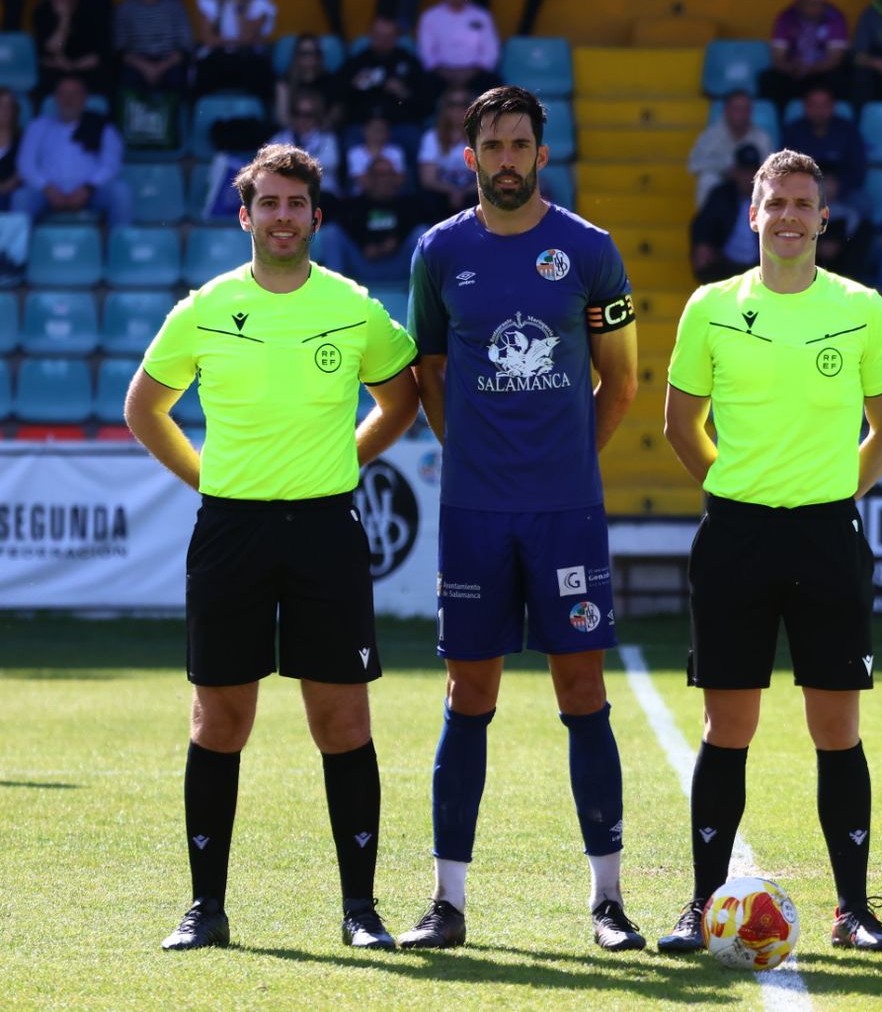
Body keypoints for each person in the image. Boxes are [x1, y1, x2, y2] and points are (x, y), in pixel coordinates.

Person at [125, 142, 421, 953]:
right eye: (269, 203)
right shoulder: (205, 308)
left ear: (316, 217)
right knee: (221, 718)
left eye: (297, 204)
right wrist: (205, 479)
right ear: (245, 214)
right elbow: (144, 407)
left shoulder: (353, 306)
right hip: (231, 529)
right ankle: (204, 909)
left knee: (343, 718)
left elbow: (401, 397)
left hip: (325, 528)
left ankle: (360, 909)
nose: (283, 216)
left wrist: (346, 461)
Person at [398, 85, 643, 953]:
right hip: (473, 511)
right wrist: (470, 452)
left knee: (584, 693)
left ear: (543, 153)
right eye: (491, 146)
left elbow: (621, 379)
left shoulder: (588, 250)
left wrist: (569, 458)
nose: (506, 159)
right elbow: (427, 368)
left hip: (565, 512)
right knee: (470, 694)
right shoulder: (439, 251)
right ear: (471, 157)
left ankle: (609, 902)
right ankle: (447, 905)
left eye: (519, 145)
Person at [658, 148, 882, 956]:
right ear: (754, 214)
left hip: (826, 534)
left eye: (805, 203)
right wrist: (737, 489)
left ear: (823, 217)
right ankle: (701, 906)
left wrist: (839, 491)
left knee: (836, 726)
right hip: (734, 535)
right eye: (778, 203)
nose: (791, 216)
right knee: (727, 724)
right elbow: (679, 424)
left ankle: (854, 910)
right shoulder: (711, 306)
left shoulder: (863, 307)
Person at [13, 75, 131, 226]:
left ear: (85, 98)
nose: (68, 99)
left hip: (91, 192)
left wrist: (88, 188)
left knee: (120, 192)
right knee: (21, 197)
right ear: (55, 98)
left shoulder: (102, 127)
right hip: (46, 192)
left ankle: (120, 245)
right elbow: (26, 164)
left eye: (74, 94)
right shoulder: (38, 126)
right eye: (63, 94)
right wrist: (47, 188)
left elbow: (111, 163)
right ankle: (18, 250)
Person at [327, 155, 430, 280]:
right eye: (379, 174)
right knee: (331, 233)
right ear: (368, 178)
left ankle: (422, 295)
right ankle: (335, 292)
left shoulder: (409, 204)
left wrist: (396, 240)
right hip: (362, 264)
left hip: (398, 265)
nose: (384, 180)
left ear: (396, 178)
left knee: (422, 233)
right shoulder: (351, 205)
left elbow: (413, 226)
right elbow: (347, 228)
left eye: (388, 174)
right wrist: (365, 245)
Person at [193, 0, 277, 103]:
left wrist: (239, 4)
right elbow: (207, 39)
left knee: (257, 70)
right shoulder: (209, 2)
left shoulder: (261, 3)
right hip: (218, 58)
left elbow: (247, 36)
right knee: (204, 71)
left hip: (248, 59)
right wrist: (237, 42)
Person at [758, 0, 853, 111]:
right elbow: (777, 57)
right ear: (798, 2)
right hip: (794, 71)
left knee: (842, 78)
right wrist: (790, 68)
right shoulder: (785, 17)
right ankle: (778, 122)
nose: (814, 7)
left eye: (817, 2)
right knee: (769, 79)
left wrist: (812, 69)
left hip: (822, 71)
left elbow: (835, 59)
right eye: (808, 2)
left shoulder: (835, 17)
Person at [337, 15, 435, 136]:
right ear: (370, 35)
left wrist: (404, 92)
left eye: (388, 37)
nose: (383, 41)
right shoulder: (357, 62)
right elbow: (336, 94)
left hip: (399, 126)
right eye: (378, 36)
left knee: (412, 136)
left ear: (396, 37)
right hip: (362, 126)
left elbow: (427, 104)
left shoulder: (410, 62)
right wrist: (354, 85)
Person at [115, 0, 192, 95]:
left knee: (177, 79)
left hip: (168, 63)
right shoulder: (125, 9)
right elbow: (121, 49)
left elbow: (185, 47)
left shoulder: (176, 8)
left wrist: (160, 67)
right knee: (126, 80)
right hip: (137, 64)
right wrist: (145, 67)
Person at [417, 0, 500, 94]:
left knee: (495, 86)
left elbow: (491, 51)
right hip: (441, 75)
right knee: (421, 86)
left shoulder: (482, 16)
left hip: (475, 74)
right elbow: (426, 53)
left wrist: (470, 73)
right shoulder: (430, 16)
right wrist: (446, 73)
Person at [780, 86, 868, 209]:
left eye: (824, 105)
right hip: (802, 191)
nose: (819, 111)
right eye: (814, 105)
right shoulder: (794, 132)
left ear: (833, 107)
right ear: (806, 107)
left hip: (842, 191)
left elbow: (858, 169)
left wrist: (839, 186)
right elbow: (784, 169)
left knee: (862, 201)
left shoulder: (848, 130)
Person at [689, 143, 762, 283]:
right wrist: (703, 244)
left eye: (753, 172)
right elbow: (701, 225)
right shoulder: (721, 195)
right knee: (704, 258)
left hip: (760, 266)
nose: (748, 177)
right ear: (735, 172)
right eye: (744, 171)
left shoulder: (770, 199)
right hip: (725, 262)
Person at [688, 89, 774, 208]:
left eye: (745, 109)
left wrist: (746, 175)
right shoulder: (710, 136)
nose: (741, 113)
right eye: (737, 109)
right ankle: (709, 223)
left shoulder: (762, 137)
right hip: (722, 180)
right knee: (707, 180)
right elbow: (694, 164)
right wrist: (727, 169)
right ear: (727, 110)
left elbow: (771, 170)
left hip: (751, 183)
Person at [35, 0, 108, 96]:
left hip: (86, 71)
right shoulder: (42, 12)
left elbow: (99, 54)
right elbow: (50, 51)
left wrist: (74, 66)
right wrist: (64, 20)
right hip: (56, 71)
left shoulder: (94, 11)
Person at [271, 90, 343, 197]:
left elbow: (330, 163)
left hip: (324, 195)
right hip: (288, 195)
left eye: (308, 115)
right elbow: (270, 166)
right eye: (297, 113)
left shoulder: (328, 139)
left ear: (317, 116)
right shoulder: (279, 138)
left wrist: (291, 165)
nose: (302, 119)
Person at [418, 90, 477, 216]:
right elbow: (428, 180)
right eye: (452, 104)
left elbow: (486, 176)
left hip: (472, 193)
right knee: (428, 199)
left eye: (463, 104)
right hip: (441, 195)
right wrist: (453, 191)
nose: (458, 109)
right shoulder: (431, 137)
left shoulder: (479, 136)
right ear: (444, 108)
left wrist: (463, 192)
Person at [275, 33, 341, 130]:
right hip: (292, 135)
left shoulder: (331, 81)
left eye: (315, 53)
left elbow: (335, 115)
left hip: (322, 135)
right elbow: (283, 118)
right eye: (304, 53)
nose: (310, 58)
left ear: (320, 56)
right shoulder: (284, 83)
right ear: (297, 55)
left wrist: (315, 131)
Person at [346, 115, 408, 195]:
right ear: (365, 131)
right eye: (374, 129)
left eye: (381, 129)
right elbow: (360, 180)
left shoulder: (396, 152)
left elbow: (400, 179)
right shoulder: (355, 153)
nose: (377, 133)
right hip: (361, 197)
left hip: (391, 197)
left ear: (388, 133)